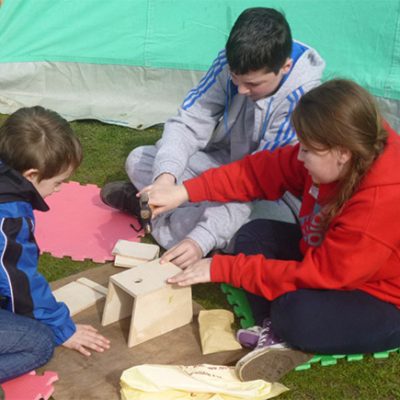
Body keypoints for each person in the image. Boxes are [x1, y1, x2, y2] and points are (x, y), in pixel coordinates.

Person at [140, 79, 400, 382]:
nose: (299, 157)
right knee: (255, 234)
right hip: (331, 263)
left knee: (296, 315)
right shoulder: (342, 151)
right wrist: (183, 192)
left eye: (307, 150)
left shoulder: (379, 206)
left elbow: (323, 276)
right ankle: (275, 330)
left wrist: (223, 267)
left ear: (341, 153)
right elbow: (256, 172)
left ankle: (282, 329)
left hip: (381, 299)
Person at [101, 7, 325, 268]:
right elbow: (188, 122)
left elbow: (256, 182)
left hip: (270, 194)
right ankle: (177, 216)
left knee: (259, 230)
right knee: (140, 159)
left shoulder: (301, 100)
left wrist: (200, 238)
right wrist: (165, 180)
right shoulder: (232, 63)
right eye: (236, 79)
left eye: (252, 85)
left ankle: (160, 217)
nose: (241, 89)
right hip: (223, 166)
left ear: (285, 67)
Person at [0, 106, 110, 383]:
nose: (59, 189)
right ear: (31, 175)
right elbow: (20, 284)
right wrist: (64, 329)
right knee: (40, 343)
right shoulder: (8, 219)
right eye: (58, 182)